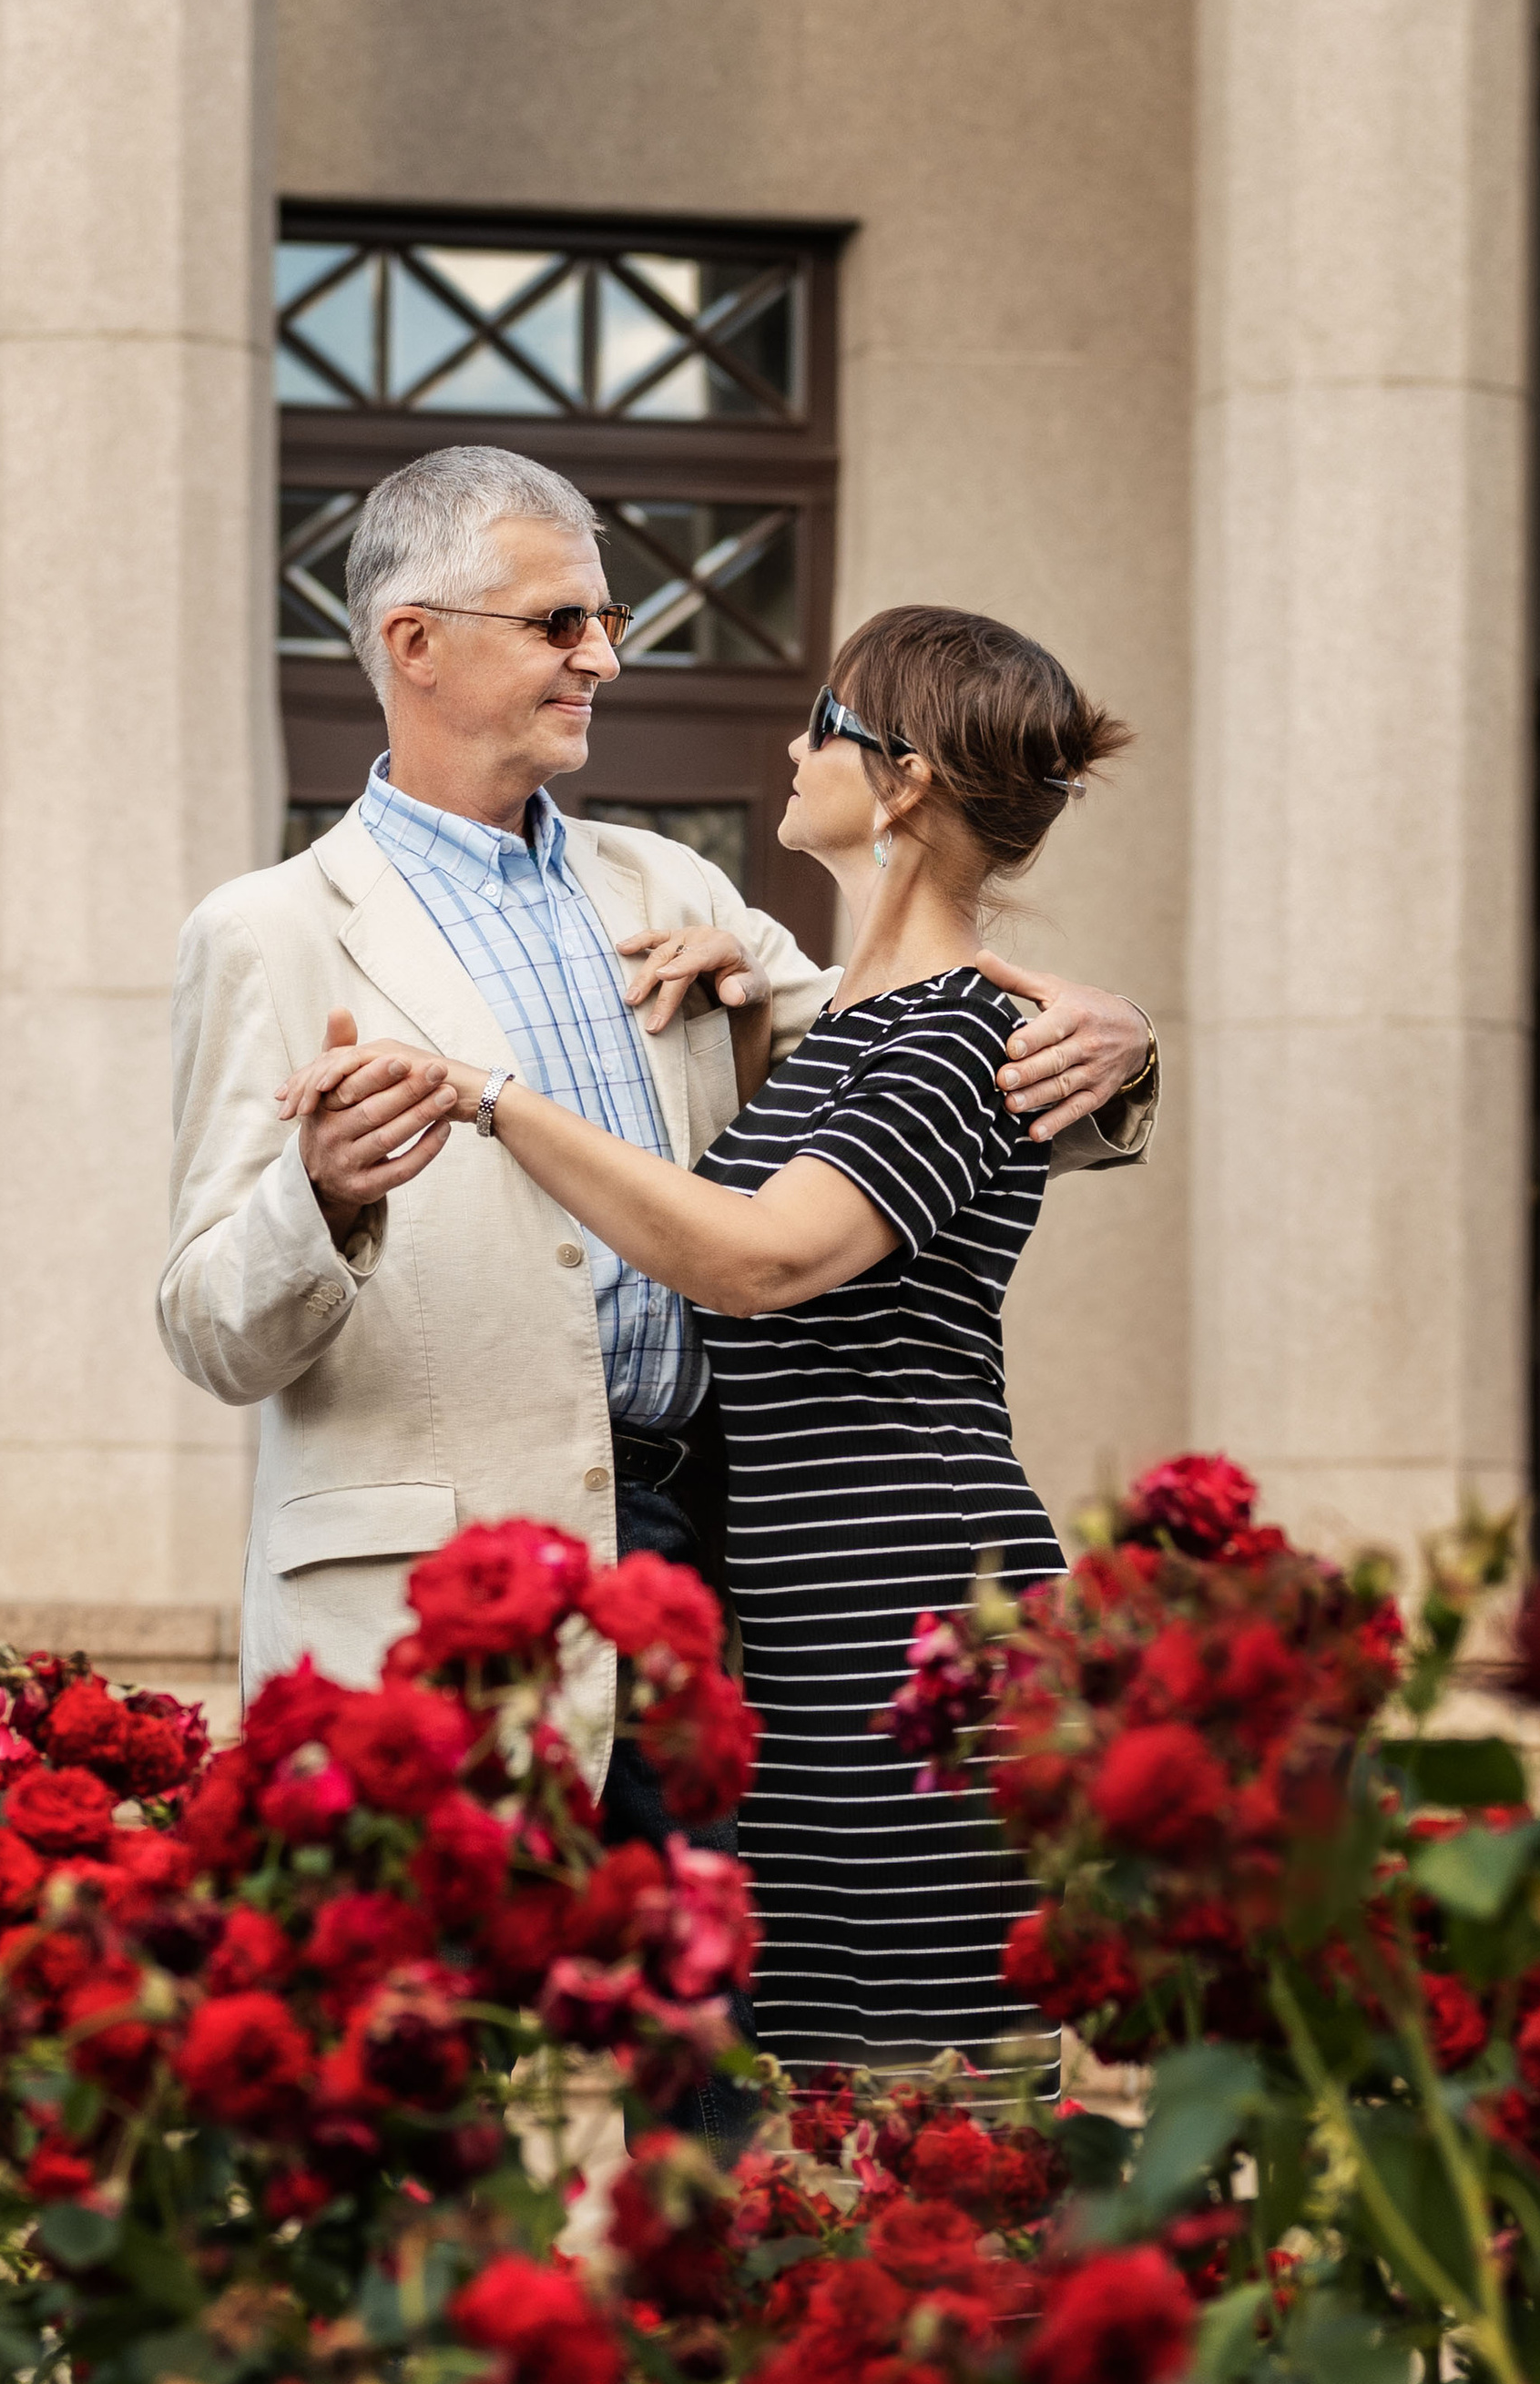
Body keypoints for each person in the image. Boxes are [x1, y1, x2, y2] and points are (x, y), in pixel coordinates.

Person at [158, 446, 1158, 1789]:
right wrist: (321, 1195)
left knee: (695, 1990)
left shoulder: (669, 890)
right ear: (416, 643)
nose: (602, 661)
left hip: (707, 1564)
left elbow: (894, 1049)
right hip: (427, 1608)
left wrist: (1122, 1047)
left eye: (608, 623)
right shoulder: (263, 933)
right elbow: (211, 1327)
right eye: (560, 624)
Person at [403, 602, 1126, 2075]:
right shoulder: (852, 1018)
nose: (793, 748)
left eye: (826, 722)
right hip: (807, 1627)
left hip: (916, 1618)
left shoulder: (956, 1034)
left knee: (951, 2107)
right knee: (830, 2095)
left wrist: (493, 1100)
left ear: (905, 779)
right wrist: (729, 1020)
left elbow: (757, 1260)